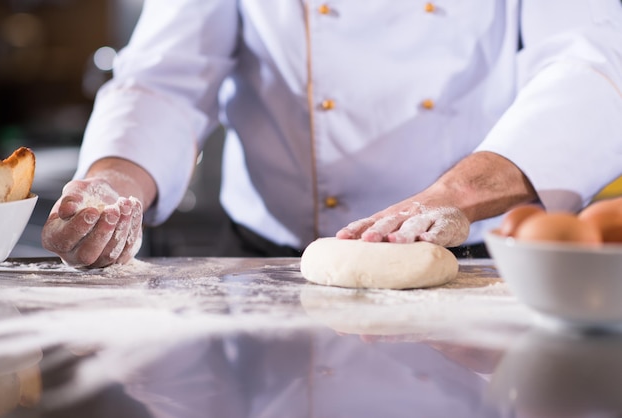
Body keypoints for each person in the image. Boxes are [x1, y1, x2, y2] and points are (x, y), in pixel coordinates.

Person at [41, 1, 622, 268]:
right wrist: (111, 182)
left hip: (466, 257)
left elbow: (593, 60)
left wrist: (454, 197)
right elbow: (167, 80)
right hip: (269, 266)